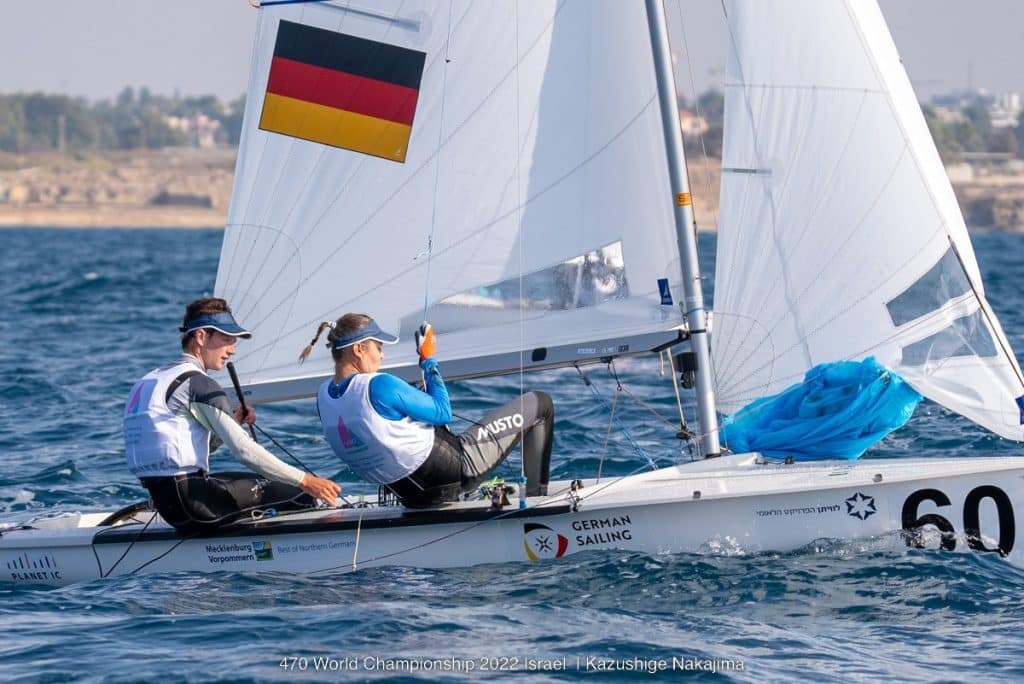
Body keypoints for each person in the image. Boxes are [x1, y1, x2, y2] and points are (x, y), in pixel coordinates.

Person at [124, 298, 341, 535]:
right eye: (226, 339)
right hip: (195, 506)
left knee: (258, 484)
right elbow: (244, 451)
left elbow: (181, 445)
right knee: (300, 495)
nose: (233, 349)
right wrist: (307, 482)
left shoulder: (149, 381)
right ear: (200, 337)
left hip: (166, 503)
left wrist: (233, 422)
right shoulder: (199, 384)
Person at [302, 313, 553, 508]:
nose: (382, 355)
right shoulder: (380, 384)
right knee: (541, 404)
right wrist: (428, 360)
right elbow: (443, 411)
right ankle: (537, 500)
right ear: (358, 349)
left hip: (409, 494)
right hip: (454, 471)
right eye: (378, 347)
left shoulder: (323, 397)